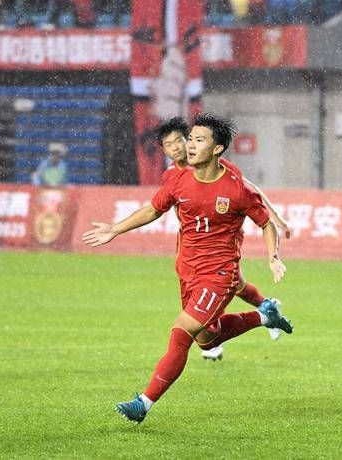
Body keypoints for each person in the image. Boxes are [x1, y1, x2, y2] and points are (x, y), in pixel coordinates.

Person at [83, 113, 293, 423]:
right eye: (190, 139)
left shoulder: (235, 186)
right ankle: (265, 315)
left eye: (198, 140)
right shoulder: (178, 180)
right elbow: (153, 210)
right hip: (188, 270)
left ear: (217, 148)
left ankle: (144, 403)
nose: (189, 146)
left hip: (219, 274)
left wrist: (273, 256)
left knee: (181, 332)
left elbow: (264, 222)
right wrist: (115, 229)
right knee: (208, 338)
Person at [154, 116, 292, 360]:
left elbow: (250, 193)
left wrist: (277, 218)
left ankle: (253, 317)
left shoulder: (218, 167)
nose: (176, 147)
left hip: (222, 241)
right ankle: (265, 312)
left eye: (179, 141)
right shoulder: (170, 177)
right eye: (168, 144)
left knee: (225, 285)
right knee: (235, 287)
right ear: (163, 150)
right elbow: (158, 207)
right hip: (191, 245)